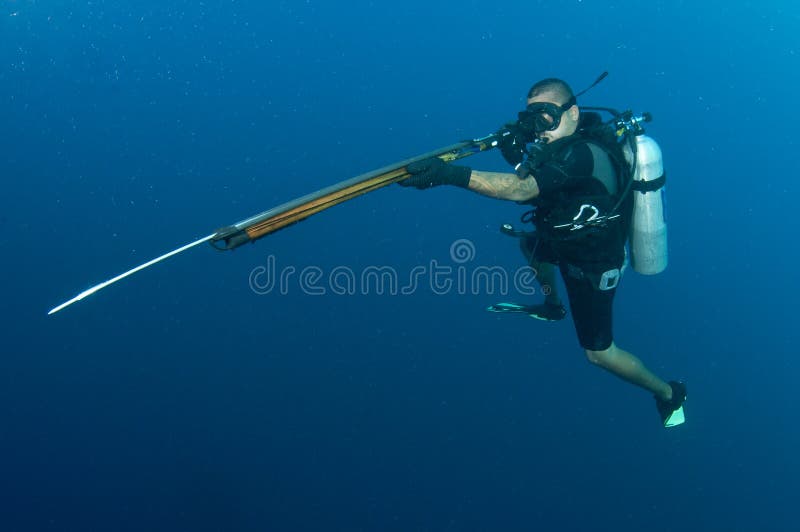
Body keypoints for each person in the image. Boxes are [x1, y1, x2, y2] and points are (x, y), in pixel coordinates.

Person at [399, 78, 686, 427]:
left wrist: (450, 174)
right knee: (529, 244)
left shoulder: (582, 154)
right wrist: (515, 149)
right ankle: (553, 307)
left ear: (573, 113)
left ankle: (669, 393)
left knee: (599, 354)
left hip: (593, 267)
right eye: (532, 120)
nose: (540, 130)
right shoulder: (562, 147)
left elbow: (522, 190)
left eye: (547, 118)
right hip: (564, 241)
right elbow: (542, 179)